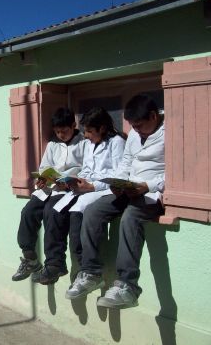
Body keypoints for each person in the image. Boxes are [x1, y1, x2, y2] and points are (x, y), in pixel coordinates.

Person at [65, 93, 165, 309]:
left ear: (153, 116)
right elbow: (126, 162)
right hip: (127, 188)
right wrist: (118, 183)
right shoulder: (135, 136)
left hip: (149, 193)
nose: (136, 130)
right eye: (133, 126)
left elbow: (176, 173)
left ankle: (127, 286)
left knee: (130, 217)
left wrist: (148, 186)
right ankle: (91, 272)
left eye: (139, 125)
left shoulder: (171, 134)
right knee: (92, 211)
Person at [32, 107, 125, 284]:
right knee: (54, 212)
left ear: (102, 128)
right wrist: (77, 181)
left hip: (103, 190)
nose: (86, 135)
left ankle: (88, 270)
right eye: (85, 131)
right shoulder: (90, 144)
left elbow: (119, 176)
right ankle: (57, 265)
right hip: (84, 188)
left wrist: (92, 186)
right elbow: (88, 169)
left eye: (90, 131)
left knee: (78, 219)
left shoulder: (117, 142)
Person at [12, 108, 86, 282]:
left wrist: (71, 180)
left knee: (51, 213)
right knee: (28, 213)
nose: (61, 134)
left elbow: (88, 169)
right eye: (57, 131)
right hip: (51, 188)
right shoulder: (52, 144)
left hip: (69, 189)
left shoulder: (83, 142)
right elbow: (45, 167)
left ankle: (55, 264)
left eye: (64, 131)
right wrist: (43, 178)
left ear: (73, 126)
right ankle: (30, 258)